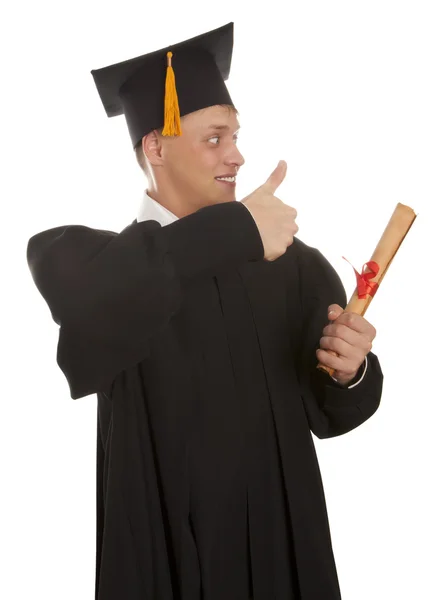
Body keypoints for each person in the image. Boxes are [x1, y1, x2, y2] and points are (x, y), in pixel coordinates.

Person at [26, 22, 383, 600]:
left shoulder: (291, 267)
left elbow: (332, 413)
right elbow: (88, 322)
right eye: (215, 138)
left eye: (236, 136)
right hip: (162, 564)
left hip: (280, 559)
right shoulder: (86, 264)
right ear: (156, 147)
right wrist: (237, 228)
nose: (238, 155)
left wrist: (351, 369)